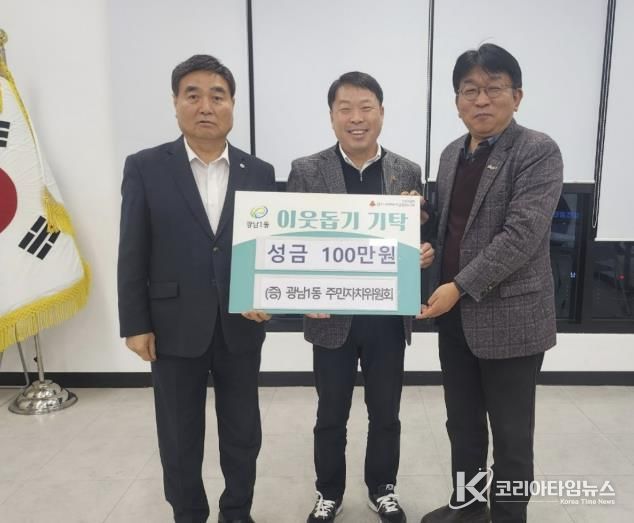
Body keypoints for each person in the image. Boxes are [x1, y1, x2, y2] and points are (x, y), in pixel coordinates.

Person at [117, 54, 275, 523]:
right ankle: (188, 514)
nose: (206, 106)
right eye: (193, 95)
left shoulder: (259, 171)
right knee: (179, 434)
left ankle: (237, 512)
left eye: (217, 96)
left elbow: (271, 248)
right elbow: (132, 248)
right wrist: (135, 323)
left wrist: (271, 295)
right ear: (176, 103)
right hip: (172, 325)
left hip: (240, 323)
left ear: (232, 105)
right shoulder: (146, 166)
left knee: (242, 432)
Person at [419, 44, 563, 523]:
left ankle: (508, 516)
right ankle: (468, 507)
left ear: (516, 96)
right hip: (454, 318)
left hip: (512, 319)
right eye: (470, 90)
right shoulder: (450, 154)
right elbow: (452, 225)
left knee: (511, 435)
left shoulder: (537, 151)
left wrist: (458, 286)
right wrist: (420, 223)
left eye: (494, 88)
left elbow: (521, 235)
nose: (481, 100)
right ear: (457, 101)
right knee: (462, 425)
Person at [287, 71, 435, 523]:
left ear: (381, 113)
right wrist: (301, 293)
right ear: (331, 116)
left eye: (366, 107)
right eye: (345, 109)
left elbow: (417, 237)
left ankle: (382, 488)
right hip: (330, 316)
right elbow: (291, 242)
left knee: (386, 412)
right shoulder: (307, 170)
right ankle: (328, 492)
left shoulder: (407, 171)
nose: (356, 118)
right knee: (330, 413)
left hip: (387, 318)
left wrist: (422, 254)